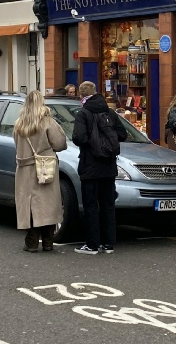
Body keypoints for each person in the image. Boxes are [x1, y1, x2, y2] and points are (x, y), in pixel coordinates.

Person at [72, 81, 127, 255]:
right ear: (96, 93)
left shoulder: (83, 113)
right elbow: (122, 135)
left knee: (91, 206)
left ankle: (92, 244)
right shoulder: (110, 112)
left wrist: (92, 143)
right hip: (109, 166)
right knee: (108, 205)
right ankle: (108, 244)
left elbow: (78, 138)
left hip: (90, 166)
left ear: (81, 95)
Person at [13, 91, 67, 252]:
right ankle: (48, 241)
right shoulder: (48, 122)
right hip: (46, 167)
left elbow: (17, 145)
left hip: (25, 168)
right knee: (48, 204)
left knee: (29, 203)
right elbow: (60, 144)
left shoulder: (19, 124)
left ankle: (31, 241)